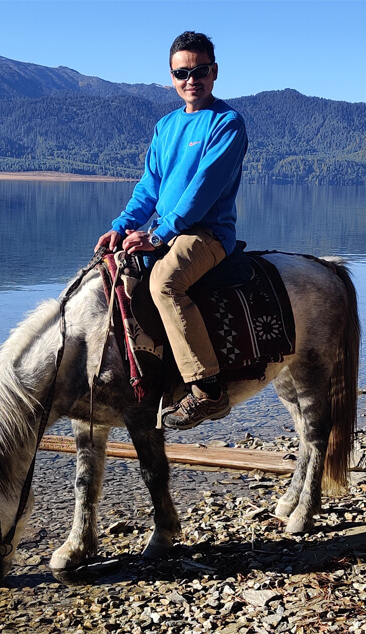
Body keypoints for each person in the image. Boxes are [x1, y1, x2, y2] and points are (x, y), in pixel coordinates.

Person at [94, 31, 248, 430]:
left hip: (207, 233)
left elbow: (202, 191)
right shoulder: (165, 126)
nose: (191, 79)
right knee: (111, 275)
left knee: (165, 282)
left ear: (214, 72)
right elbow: (149, 187)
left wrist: (160, 234)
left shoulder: (228, 124)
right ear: (172, 77)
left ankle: (207, 390)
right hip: (167, 228)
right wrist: (122, 226)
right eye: (182, 73)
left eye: (199, 71)